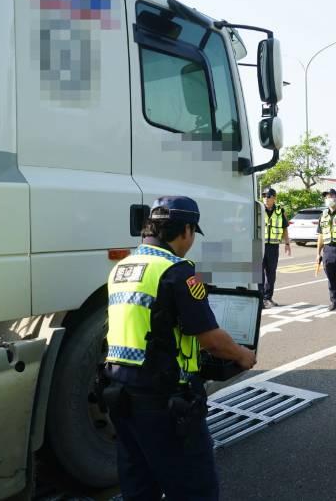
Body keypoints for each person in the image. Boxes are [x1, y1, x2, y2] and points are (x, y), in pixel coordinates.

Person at [104, 196, 257, 501]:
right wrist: (243, 355)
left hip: (119, 393)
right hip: (165, 401)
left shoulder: (124, 266)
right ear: (186, 230)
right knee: (193, 488)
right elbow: (210, 338)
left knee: (139, 483)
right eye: (192, 234)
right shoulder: (177, 272)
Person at [261, 187, 291, 309]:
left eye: (268, 196)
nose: (265, 199)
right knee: (257, 274)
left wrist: (287, 243)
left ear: (274, 198)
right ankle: (260, 298)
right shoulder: (258, 208)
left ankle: (268, 297)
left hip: (273, 247)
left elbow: (284, 228)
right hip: (258, 245)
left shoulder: (280, 211)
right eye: (263, 196)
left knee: (271, 273)